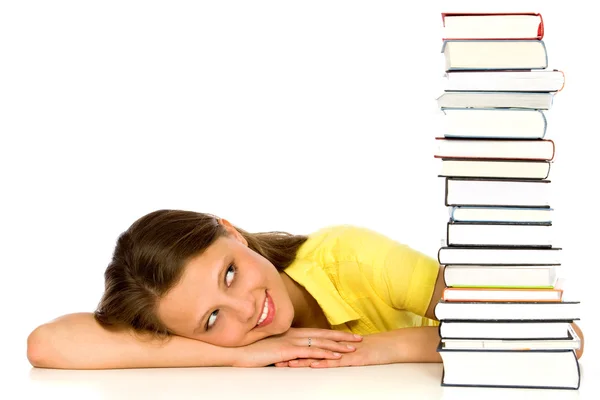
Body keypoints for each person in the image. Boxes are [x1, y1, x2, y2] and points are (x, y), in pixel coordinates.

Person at [27, 209, 584, 369]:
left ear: (232, 231)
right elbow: (47, 345)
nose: (245, 308)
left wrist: (386, 348)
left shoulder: (347, 256)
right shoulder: (237, 348)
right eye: (211, 320)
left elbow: (554, 334)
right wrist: (241, 359)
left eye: (229, 273)